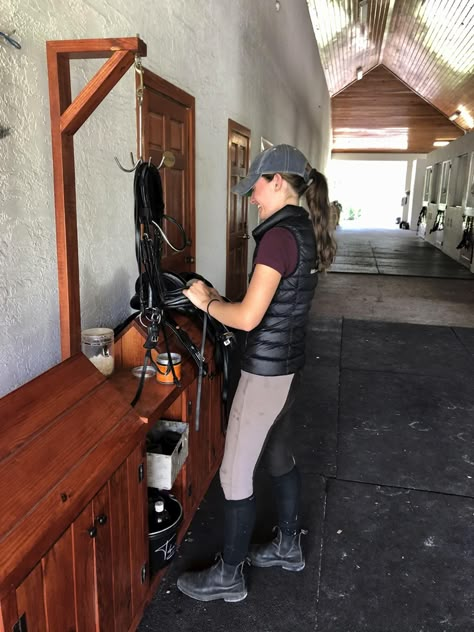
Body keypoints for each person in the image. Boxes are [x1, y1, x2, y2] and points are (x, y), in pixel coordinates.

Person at [177, 143, 336, 602]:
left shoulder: (279, 237)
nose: (251, 197)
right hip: (290, 368)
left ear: (279, 182)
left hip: (266, 374)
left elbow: (247, 317)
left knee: (233, 473)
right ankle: (288, 546)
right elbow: (273, 306)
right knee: (278, 455)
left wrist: (206, 301)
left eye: (257, 187)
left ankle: (229, 574)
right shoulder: (303, 228)